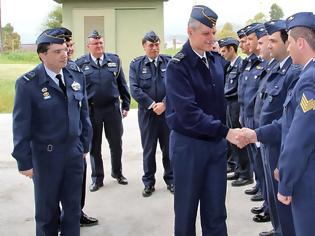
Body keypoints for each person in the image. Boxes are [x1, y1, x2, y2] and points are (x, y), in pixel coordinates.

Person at [166, 5, 242, 235]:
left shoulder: (216, 60)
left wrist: (221, 135)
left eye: (213, 33)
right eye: (206, 34)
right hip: (189, 147)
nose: (212, 38)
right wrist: (226, 132)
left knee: (216, 213)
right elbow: (189, 113)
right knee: (186, 213)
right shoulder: (177, 66)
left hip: (215, 147)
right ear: (190, 31)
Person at [240, 12, 315, 236]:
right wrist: (256, 134)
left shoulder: (309, 80)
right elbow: (288, 121)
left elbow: (299, 137)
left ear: (300, 43)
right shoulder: (307, 74)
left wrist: (286, 181)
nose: (288, 48)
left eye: (290, 42)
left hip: (306, 178)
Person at [11, 28, 92, 235]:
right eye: (57, 51)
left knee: (73, 211)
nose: (64, 54)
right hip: (46, 157)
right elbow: (21, 125)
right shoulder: (28, 84)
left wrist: (84, 144)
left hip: (73, 155)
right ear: (42, 54)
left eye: (65, 49)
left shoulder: (75, 76)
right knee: (47, 215)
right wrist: (24, 161)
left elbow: (84, 114)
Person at [76, 30, 131, 192]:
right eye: (96, 43)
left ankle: (117, 172)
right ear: (89, 46)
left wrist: (126, 104)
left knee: (116, 143)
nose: (99, 46)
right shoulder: (81, 64)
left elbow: (122, 83)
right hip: (93, 111)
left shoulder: (114, 60)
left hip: (112, 109)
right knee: (94, 146)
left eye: (101, 43)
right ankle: (97, 178)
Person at [60, 27, 98, 227]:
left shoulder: (75, 71)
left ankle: (77, 213)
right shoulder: (49, 73)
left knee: (78, 180)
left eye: (71, 45)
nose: (71, 48)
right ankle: (59, 218)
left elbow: (82, 110)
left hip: (76, 141)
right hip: (55, 144)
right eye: (68, 45)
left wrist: (85, 142)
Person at [129, 31, 174, 197]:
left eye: (157, 45)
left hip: (166, 113)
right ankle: (148, 182)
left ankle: (171, 180)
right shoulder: (136, 65)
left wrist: (165, 103)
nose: (154, 48)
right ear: (144, 46)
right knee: (148, 149)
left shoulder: (168, 62)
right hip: (147, 114)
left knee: (168, 148)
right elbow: (134, 89)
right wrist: (152, 104)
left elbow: (175, 85)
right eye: (151, 45)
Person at [218, 37, 250, 184]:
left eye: (224, 50)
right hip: (229, 104)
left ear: (232, 49)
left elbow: (241, 87)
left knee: (239, 139)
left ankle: (245, 174)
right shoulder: (230, 66)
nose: (221, 53)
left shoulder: (241, 65)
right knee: (232, 139)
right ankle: (238, 169)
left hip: (236, 104)